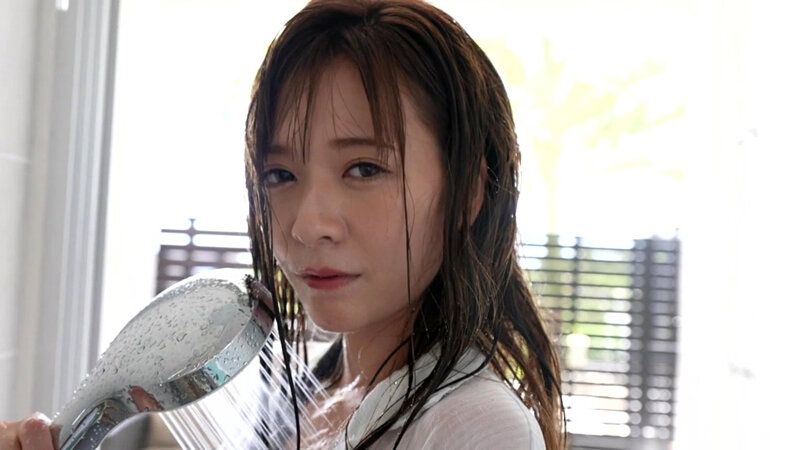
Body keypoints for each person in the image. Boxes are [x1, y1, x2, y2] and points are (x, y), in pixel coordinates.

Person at [0, 1, 565, 448]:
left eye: (364, 168)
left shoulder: (474, 427)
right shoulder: (315, 396)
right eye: (280, 174)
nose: (307, 225)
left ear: (468, 193)